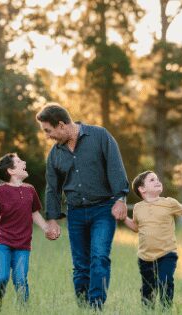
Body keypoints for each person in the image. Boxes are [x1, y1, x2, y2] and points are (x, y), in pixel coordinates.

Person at [36, 103, 129, 310]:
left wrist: (120, 198)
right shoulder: (55, 154)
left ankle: (96, 306)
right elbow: (53, 188)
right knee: (80, 266)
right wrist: (52, 219)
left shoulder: (99, 136)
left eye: (48, 131)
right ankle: (83, 307)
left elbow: (115, 166)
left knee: (99, 257)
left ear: (61, 125)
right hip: (75, 214)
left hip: (103, 210)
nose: (47, 136)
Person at [123, 171, 182, 309]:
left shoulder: (168, 203)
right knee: (148, 288)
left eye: (158, 179)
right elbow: (136, 227)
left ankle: (166, 309)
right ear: (142, 189)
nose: (158, 181)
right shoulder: (138, 208)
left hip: (167, 253)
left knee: (165, 281)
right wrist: (123, 218)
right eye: (152, 180)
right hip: (145, 257)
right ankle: (148, 310)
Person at [0, 153, 49, 311]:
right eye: (19, 161)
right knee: (2, 276)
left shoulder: (30, 190)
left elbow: (34, 213)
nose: (24, 162)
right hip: (3, 242)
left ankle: (24, 309)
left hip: (23, 244)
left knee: (20, 279)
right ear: (11, 171)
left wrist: (46, 228)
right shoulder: (1, 190)